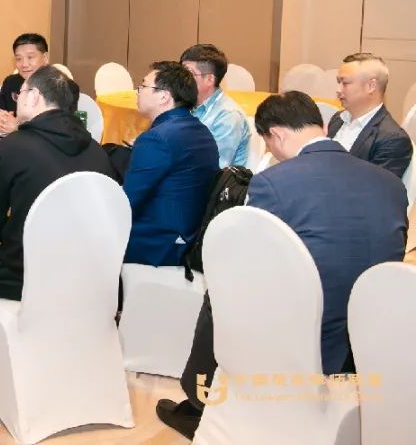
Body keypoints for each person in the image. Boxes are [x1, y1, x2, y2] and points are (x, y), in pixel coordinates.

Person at [156, 91, 408, 439]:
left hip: (305, 332)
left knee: (222, 290)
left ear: (276, 134)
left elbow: (253, 260)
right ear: (321, 127)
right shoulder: (390, 183)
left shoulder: (275, 182)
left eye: (270, 145)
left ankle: (199, 403)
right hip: (373, 328)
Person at [0, 66, 117, 348]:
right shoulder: (97, 150)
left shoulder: (14, 147)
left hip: (27, 272)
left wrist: (20, 235)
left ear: (34, 97)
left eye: (21, 93)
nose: (16, 100)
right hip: (87, 272)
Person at [124, 61, 218, 266]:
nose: (137, 92)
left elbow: (127, 202)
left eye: (143, 86)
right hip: (190, 237)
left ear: (164, 96)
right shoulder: (201, 130)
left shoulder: (157, 138)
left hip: (159, 245)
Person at [327, 52, 411, 179]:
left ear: (371, 86)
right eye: (338, 82)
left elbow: (375, 187)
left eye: (345, 83)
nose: (338, 90)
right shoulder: (337, 120)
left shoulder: (392, 139)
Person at [179, 44, 250, 168]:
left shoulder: (228, 116)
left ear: (209, 79)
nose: (181, 79)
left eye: (188, 73)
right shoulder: (186, 104)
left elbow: (212, 167)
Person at [0, 33, 52, 133]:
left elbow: (57, 127)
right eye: (19, 59)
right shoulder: (11, 82)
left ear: (45, 58)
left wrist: (18, 126)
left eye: (30, 57)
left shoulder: (60, 86)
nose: (24, 64)